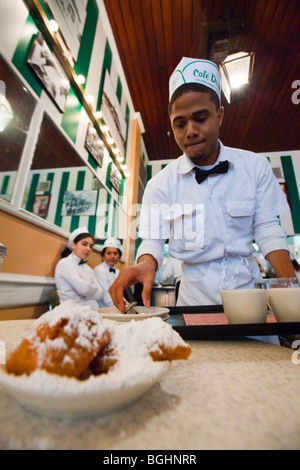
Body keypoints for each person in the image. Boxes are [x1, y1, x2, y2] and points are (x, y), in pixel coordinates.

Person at [109, 56, 296, 314]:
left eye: (200, 118)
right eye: (180, 123)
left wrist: (290, 285)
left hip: (251, 301)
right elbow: (152, 240)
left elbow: (267, 230)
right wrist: (145, 263)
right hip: (194, 305)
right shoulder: (159, 184)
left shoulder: (255, 167)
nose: (190, 131)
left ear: (219, 115)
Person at [55, 227, 112, 309]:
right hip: (70, 312)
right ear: (73, 245)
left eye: (91, 246)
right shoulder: (64, 263)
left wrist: (84, 293)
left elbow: (101, 293)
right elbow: (84, 289)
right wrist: (90, 290)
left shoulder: (88, 269)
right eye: (84, 244)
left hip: (91, 311)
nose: (88, 249)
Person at [94, 238, 122, 307]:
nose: (112, 256)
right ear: (103, 255)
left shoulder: (118, 272)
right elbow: (106, 298)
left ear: (119, 256)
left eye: (115, 253)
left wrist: (128, 306)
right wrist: (122, 309)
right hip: (102, 309)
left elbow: (120, 294)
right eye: (109, 253)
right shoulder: (99, 270)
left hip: (115, 309)